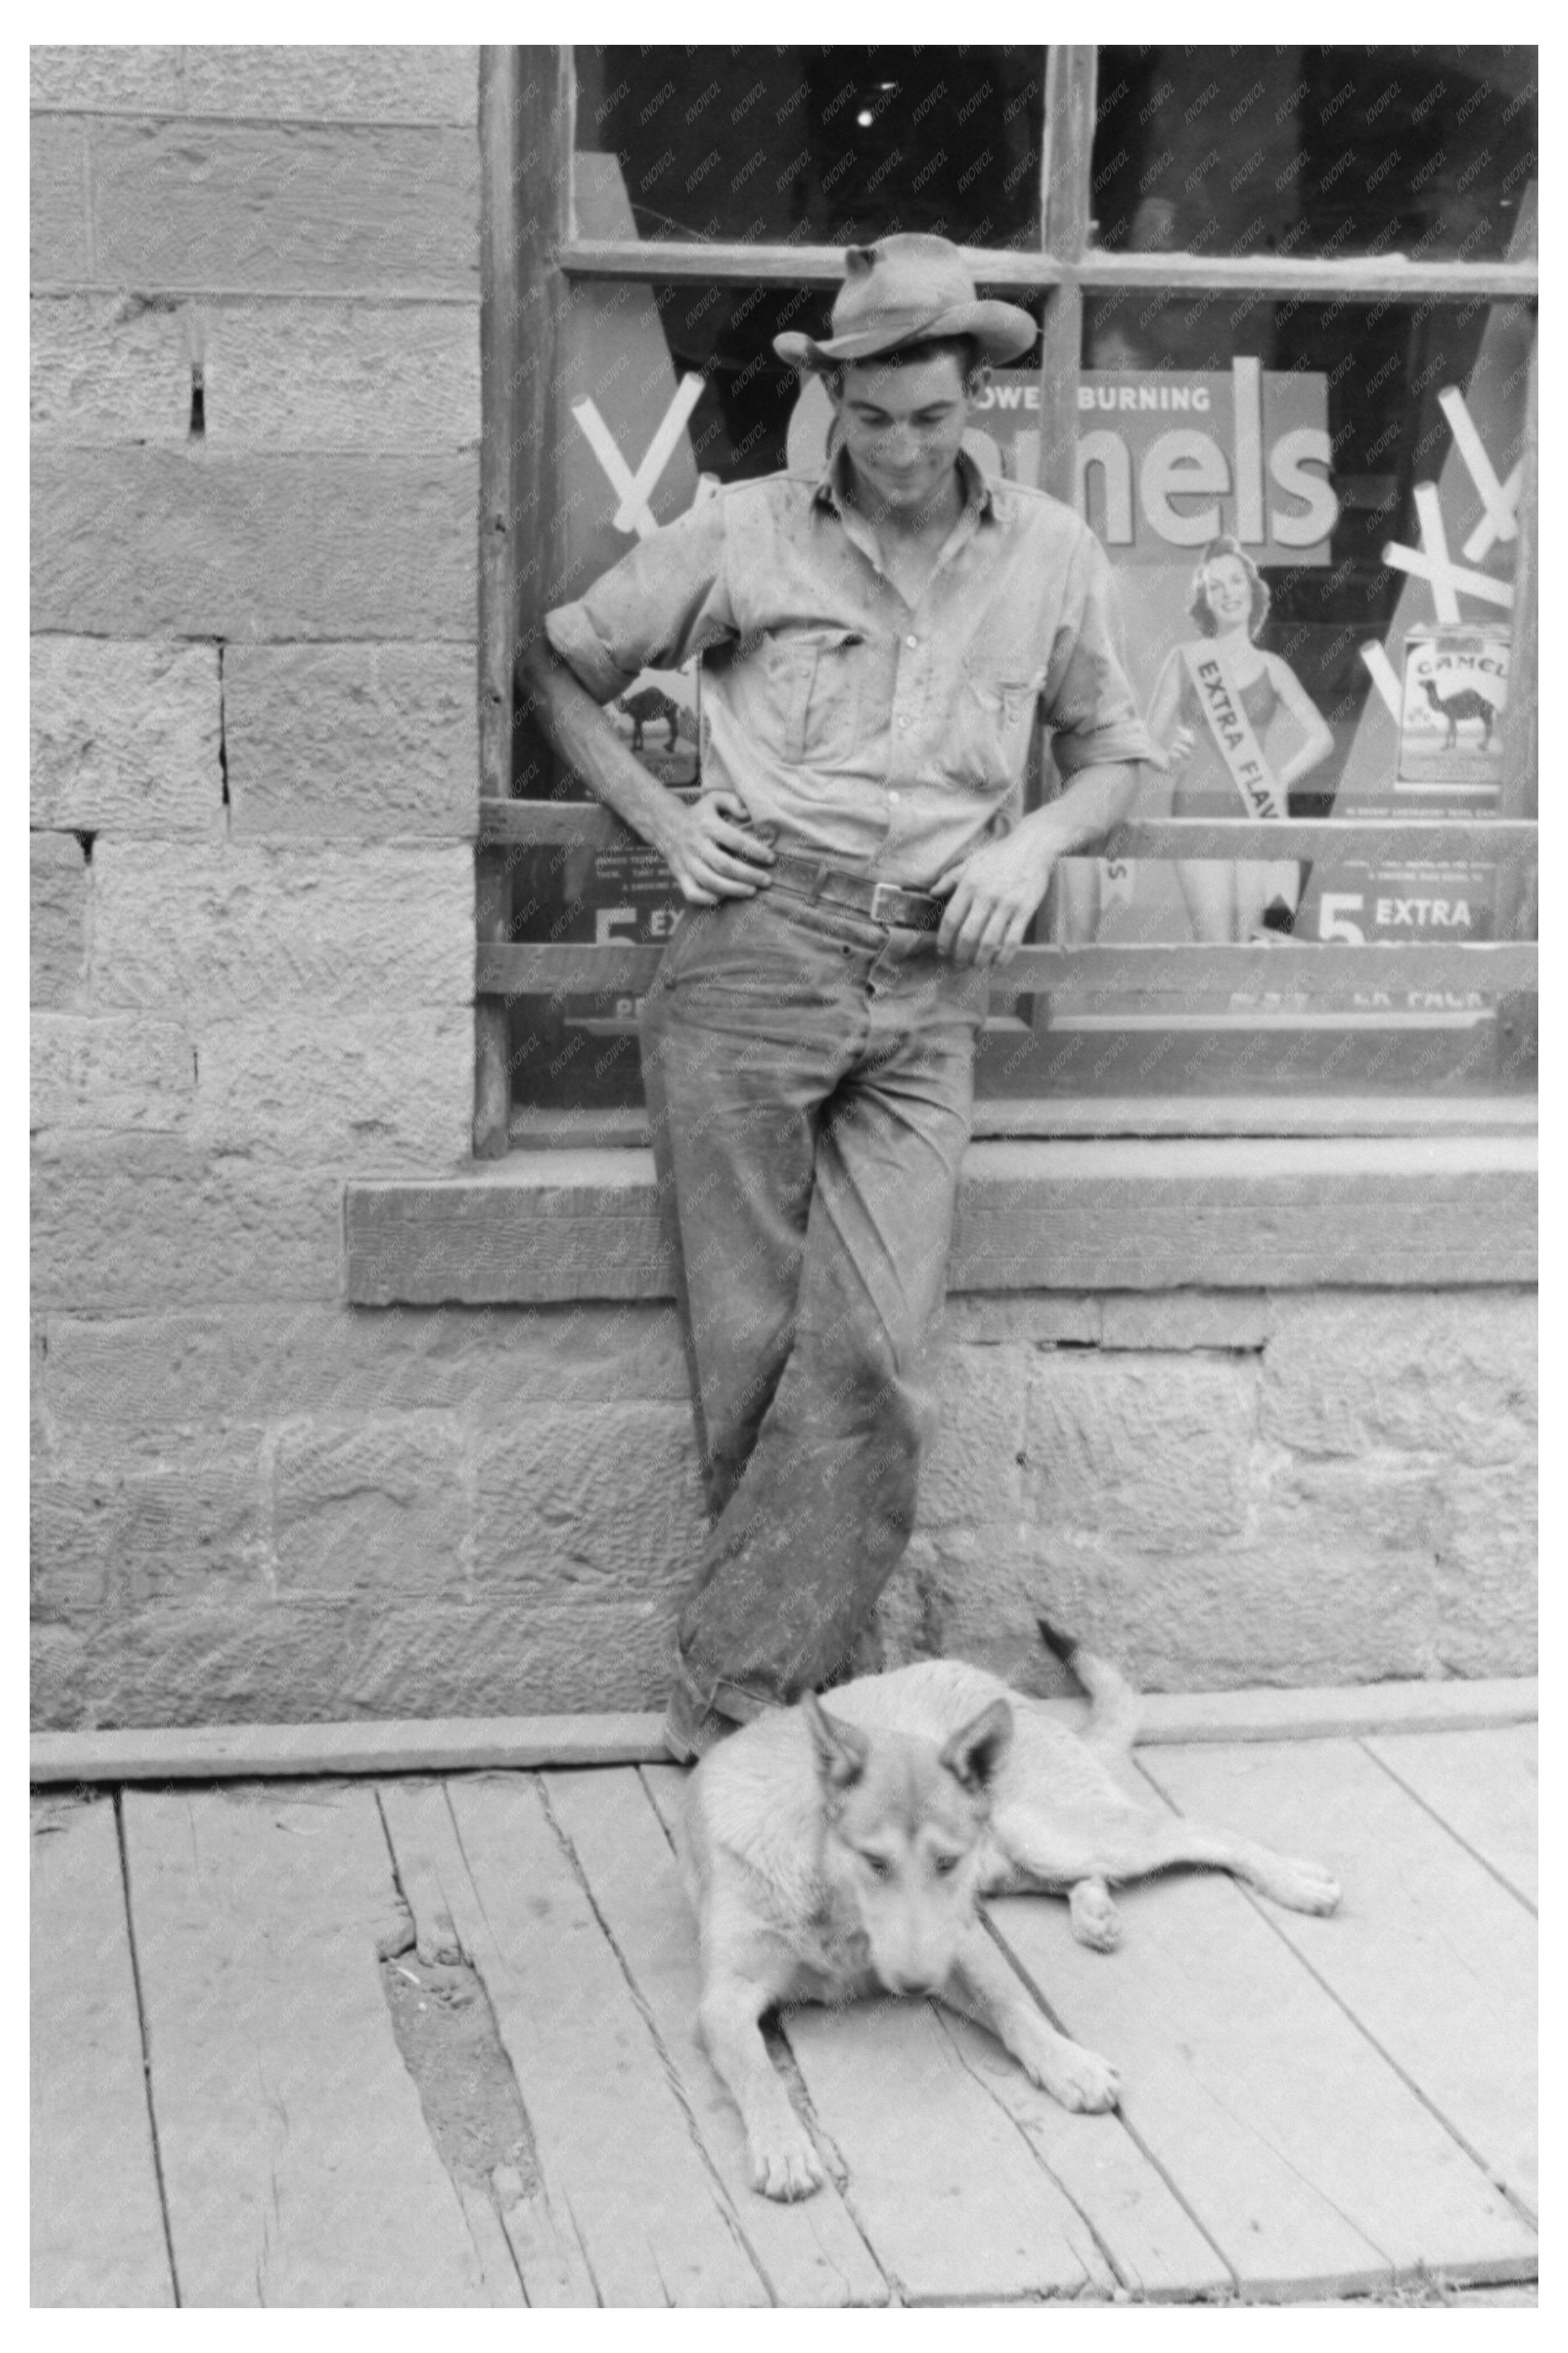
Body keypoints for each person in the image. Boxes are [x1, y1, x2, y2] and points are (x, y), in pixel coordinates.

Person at [521, 234, 1160, 1761]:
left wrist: (1032, 839)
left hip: (932, 975)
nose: (895, 446)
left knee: (873, 1345)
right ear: (831, 401)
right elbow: (559, 667)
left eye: (926, 416)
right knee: (748, 1347)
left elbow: (1120, 756)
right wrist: (664, 819)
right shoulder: (744, 530)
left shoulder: (1049, 555)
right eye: (867, 416)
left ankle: (739, 1697)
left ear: (971, 400)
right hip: (753, 950)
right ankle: (771, 1707)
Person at [1146, 536, 1335, 944]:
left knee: (1249, 944)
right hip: (1197, 809)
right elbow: (1142, 740)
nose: (1229, 593)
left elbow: (1322, 737)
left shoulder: (1274, 667)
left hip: (1257, 809)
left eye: (1236, 581)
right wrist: (1163, 756)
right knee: (1214, 943)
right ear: (1206, 601)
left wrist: (1282, 779)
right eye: (1216, 587)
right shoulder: (1185, 659)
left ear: (1252, 590)